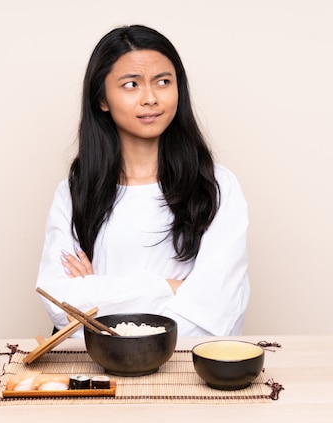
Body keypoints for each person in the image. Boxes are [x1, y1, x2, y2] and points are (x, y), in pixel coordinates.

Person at [36, 24, 249, 337]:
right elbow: (58, 303)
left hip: (187, 376)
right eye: (131, 84)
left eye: (163, 82)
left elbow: (218, 311)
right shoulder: (77, 190)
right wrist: (169, 287)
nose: (150, 98)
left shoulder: (216, 186)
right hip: (100, 375)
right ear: (102, 99)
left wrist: (96, 290)